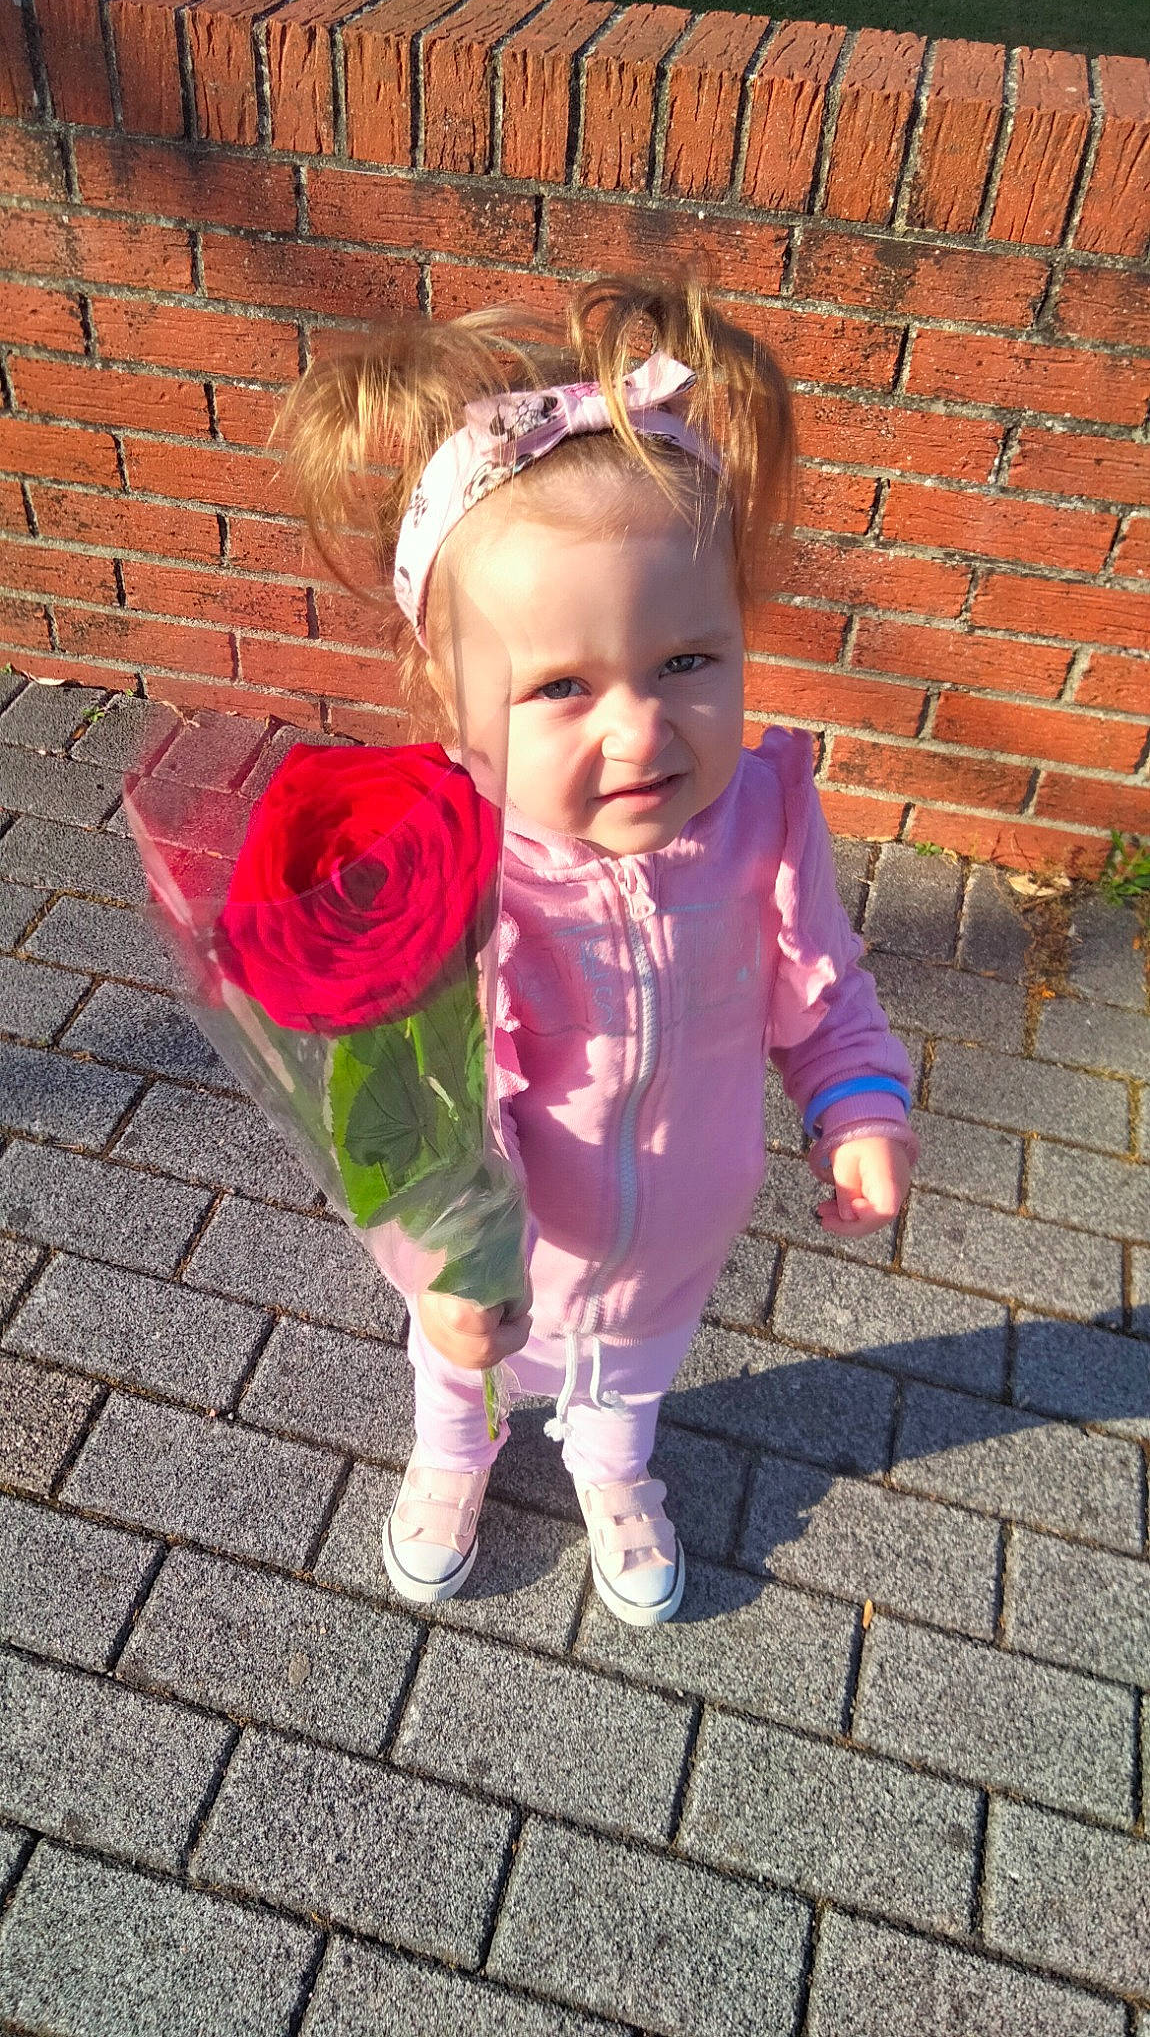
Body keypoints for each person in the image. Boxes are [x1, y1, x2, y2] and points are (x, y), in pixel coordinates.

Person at [279, 276, 918, 1628]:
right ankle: (454, 1453)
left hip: (680, 1231)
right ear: (455, 702)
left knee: (632, 1370)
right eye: (562, 688)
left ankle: (614, 1471)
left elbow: (821, 990)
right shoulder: (445, 875)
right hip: (502, 1252)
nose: (639, 733)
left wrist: (856, 1104)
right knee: (458, 1368)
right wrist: (452, 1265)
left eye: (687, 662)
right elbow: (411, 1114)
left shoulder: (763, 816)